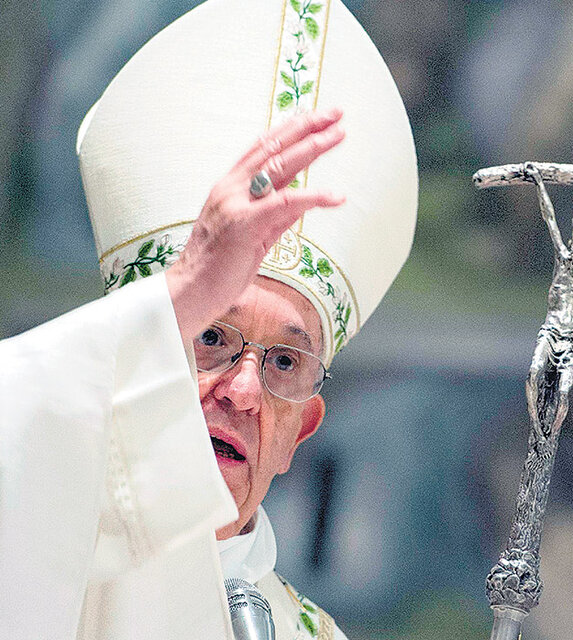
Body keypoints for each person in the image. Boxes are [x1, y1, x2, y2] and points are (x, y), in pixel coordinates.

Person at [0, 0, 418, 638]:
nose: (244, 390)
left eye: (284, 361)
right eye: (211, 336)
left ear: (299, 433)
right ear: (124, 361)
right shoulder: (45, 545)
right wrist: (184, 286)